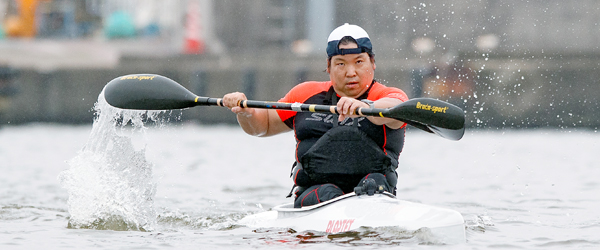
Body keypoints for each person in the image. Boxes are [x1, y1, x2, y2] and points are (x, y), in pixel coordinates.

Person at [222, 23, 409, 208]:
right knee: (327, 193)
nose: (351, 72)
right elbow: (264, 126)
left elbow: (397, 109)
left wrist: (364, 106)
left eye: (359, 62)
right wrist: (246, 113)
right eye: (341, 64)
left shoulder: (388, 96)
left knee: (373, 184)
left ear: (373, 63)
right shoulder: (305, 95)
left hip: (374, 191)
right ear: (328, 67)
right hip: (315, 195)